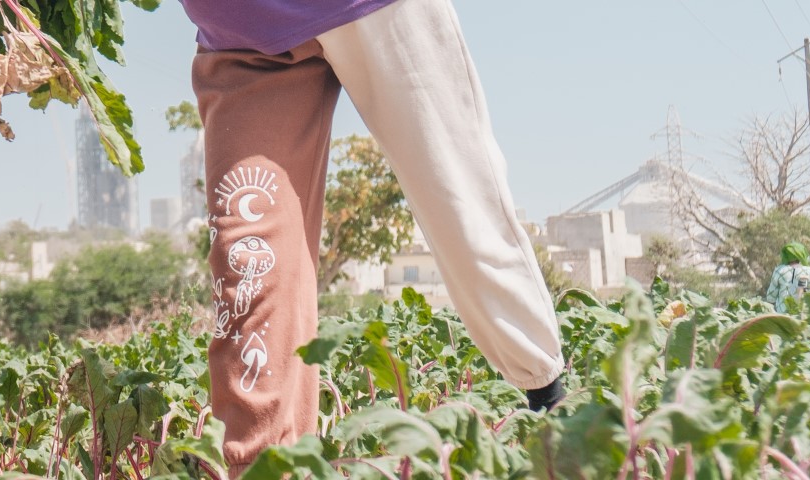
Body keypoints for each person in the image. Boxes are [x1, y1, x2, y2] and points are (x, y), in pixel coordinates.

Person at [177, 0, 567, 470]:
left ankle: (553, 412)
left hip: (377, 9)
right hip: (243, 33)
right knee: (249, 276)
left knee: (461, 207)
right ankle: (261, 467)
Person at [765, 242, 810, 312]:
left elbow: (771, 297)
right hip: (804, 315)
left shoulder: (780, 270)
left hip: (784, 316)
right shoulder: (809, 271)